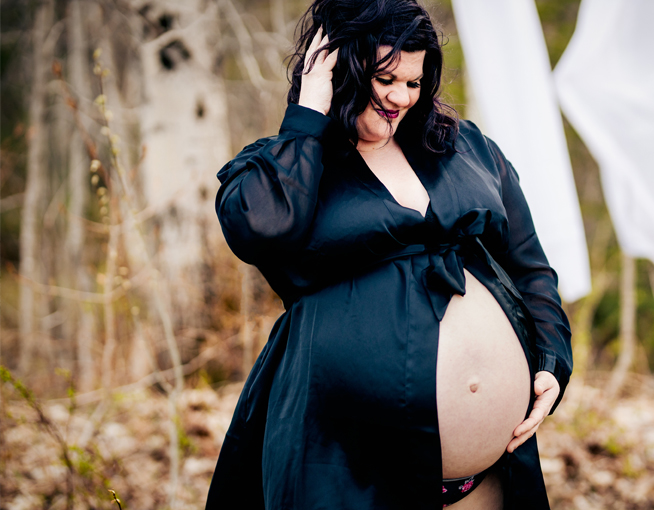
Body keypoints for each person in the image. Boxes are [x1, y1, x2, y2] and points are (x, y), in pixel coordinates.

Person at [206, 0, 572, 508]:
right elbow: (262, 231)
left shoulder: (465, 147)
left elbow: (530, 266)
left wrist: (553, 362)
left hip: (485, 475)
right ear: (342, 66)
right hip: (345, 469)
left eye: (414, 83)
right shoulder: (284, 166)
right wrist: (308, 114)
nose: (400, 97)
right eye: (385, 78)